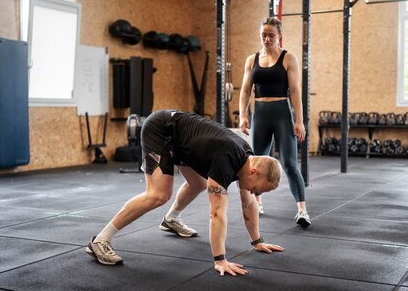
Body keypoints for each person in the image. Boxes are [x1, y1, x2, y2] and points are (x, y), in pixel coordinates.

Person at [87, 109, 284, 277]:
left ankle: (171, 219)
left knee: (198, 183)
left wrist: (257, 242)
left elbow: (249, 204)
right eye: (257, 188)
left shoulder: (247, 159)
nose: (254, 192)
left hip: (182, 141)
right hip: (161, 130)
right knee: (158, 195)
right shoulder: (227, 160)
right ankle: (100, 240)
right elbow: (216, 213)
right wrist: (220, 260)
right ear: (254, 172)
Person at [239, 17, 311, 228]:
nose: (267, 39)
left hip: (282, 113)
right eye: (263, 35)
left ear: (279, 35)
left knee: (289, 163)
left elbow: (296, 91)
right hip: (260, 113)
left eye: (271, 35)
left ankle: (302, 210)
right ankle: (258, 203)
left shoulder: (289, 58)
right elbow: (245, 90)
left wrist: (299, 120)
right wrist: (243, 115)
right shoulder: (252, 59)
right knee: (256, 162)